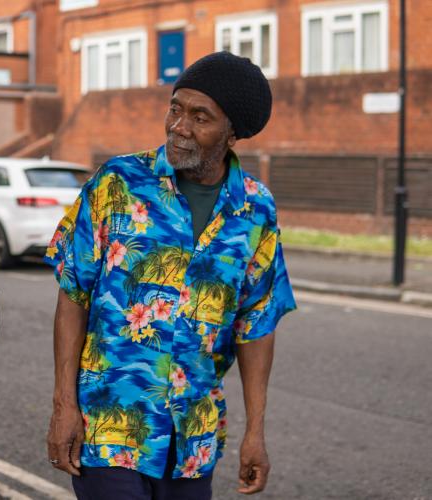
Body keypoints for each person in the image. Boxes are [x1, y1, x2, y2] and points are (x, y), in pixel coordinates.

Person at [45, 51, 296, 499]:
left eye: (201, 117)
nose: (179, 126)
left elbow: (256, 325)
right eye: (176, 108)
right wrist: (64, 404)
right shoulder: (118, 182)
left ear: (233, 132)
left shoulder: (256, 209)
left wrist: (255, 431)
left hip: (193, 440)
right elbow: (73, 295)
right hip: (110, 427)